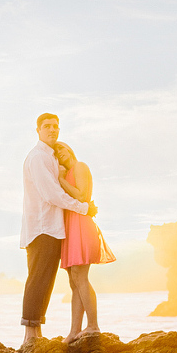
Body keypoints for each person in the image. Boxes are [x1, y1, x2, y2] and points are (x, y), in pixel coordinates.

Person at [21, 113, 95, 344]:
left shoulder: (51, 158)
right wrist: (83, 208)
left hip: (54, 228)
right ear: (38, 130)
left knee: (45, 280)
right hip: (43, 227)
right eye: (47, 126)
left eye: (55, 127)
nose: (52, 130)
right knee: (38, 279)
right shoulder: (38, 158)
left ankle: (36, 332)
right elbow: (51, 194)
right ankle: (30, 334)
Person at [54, 141, 115, 342]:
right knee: (74, 282)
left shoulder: (80, 166)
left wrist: (61, 179)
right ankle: (74, 331)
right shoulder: (69, 171)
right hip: (71, 228)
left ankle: (93, 326)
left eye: (61, 148)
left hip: (81, 225)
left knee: (80, 277)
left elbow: (81, 196)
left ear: (69, 149)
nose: (59, 153)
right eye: (55, 152)